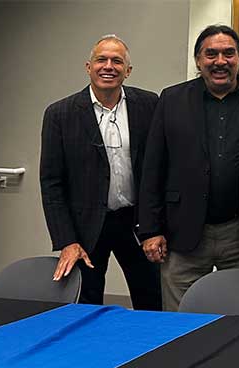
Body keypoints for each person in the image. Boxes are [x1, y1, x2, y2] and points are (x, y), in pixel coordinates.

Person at [138, 25, 239, 311]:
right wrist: (150, 230)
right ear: (198, 60)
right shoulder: (171, 99)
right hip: (183, 232)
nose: (220, 61)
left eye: (229, 53)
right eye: (211, 54)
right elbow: (153, 167)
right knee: (179, 320)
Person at [40, 34, 161, 310]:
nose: (109, 66)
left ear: (127, 71)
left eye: (117, 61)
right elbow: (52, 184)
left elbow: (159, 169)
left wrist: (158, 225)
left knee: (153, 298)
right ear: (88, 67)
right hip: (87, 227)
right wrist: (66, 240)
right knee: (86, 303)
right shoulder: (60, 114)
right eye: (101, 60)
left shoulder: (150, 105)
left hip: (137, 222)